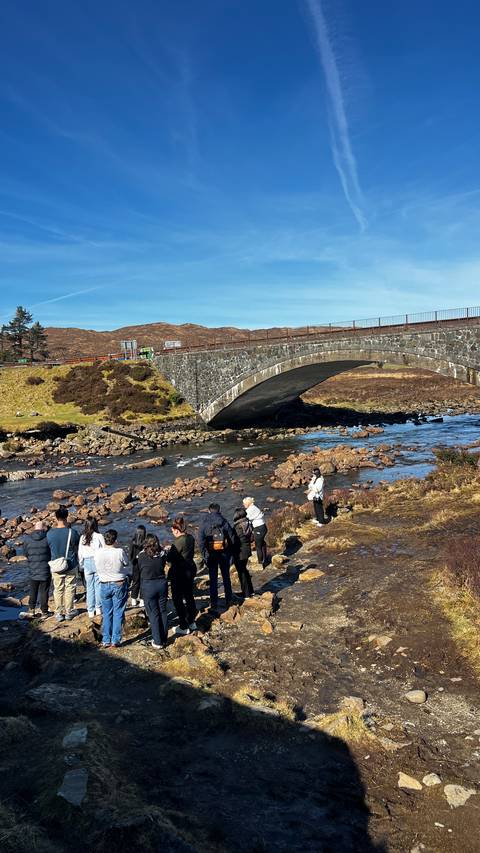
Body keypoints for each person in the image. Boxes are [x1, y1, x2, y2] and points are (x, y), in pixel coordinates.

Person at [95, 529, 131, 648]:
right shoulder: (119, 551)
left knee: (107, 613)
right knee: (118, 612)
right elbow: (126, 563)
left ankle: (106, 639)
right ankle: (115, 640)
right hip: (118, 583)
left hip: (104, 583)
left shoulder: (98, 552)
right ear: (115, 540)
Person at [198, 502, 235, 612]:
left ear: (209, 510)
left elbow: (200, 541)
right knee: (226, 577)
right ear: (219, 510)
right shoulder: (224, 521)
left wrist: (205, 555)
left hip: (211, 554)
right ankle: (229, 599)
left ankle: (214, 603)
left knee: (213, 579)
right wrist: (230, 553)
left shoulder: (204, 522)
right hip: (223, 553)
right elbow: (232, 538)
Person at [46, 506, 80, 622]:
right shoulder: (73, 532)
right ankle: (69, 611)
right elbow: (77, 547)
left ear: (56, 518)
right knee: (70, 588)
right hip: (70, 564)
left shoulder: (50, 534)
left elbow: (49, 548)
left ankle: (59, 613)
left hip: (56, 565)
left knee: (58, 589)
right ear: (67, 517)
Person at [165, 516, 198, 635]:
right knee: (189, 595)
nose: (172, 532)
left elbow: (169, 558)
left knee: (177, 598)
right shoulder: (190, 537)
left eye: (173, 530)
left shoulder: (179, 541)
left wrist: (168, 550)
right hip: (190, 568)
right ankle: (192, 621)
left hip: (179, 572)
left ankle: (183, 625)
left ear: (177, 530)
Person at [137, 533, 168, 649]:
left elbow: (140, 568)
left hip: (149, 585)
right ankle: (164, 638)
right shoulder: (162, 553)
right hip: (161, 584)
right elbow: (164, 561)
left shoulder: (141, 555)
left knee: (153, 614)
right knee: (163, 612)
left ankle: (157, 641)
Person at [22, 521, 51, 619]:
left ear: (34, 528)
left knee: (33, 590)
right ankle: (44, 611)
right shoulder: (47, 538)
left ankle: (31, 610)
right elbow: (51, 552)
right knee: (44, 591)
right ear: (43, 528)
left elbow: (25, 554)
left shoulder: (27, 539)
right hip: (45, 569)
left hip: (33, 569)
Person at [78, 517, 105, 619]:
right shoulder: (99, 536)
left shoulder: (82, 537)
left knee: (89, 587)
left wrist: (81, 565)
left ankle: (90, 610)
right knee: (98, 585)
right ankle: (98, 608)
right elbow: (104, 550)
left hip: (86, 562)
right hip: (97, 561)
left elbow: (80, 553)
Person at [232, 507, 254, 598]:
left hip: (240, 551)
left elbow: (235, 540)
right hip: (247, 549)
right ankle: (250, 591)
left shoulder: (238, 526)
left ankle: (246, 594)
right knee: (244, 570)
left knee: (241, 572)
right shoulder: (247, 522)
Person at [243, 496, 269, 568]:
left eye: (244, 503)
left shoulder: (250, 509)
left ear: (248, 503)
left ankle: (261, 562)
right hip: (263, 527)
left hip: (259, 529)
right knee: (262, 543)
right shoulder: (254, 507)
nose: (243, 505)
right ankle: (265, 559)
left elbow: (246, 518)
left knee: (258, 546)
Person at [129, 525, 146, 607]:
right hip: (144, 565)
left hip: (135, 564)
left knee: (135, 582)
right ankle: (142, 600)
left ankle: (133, 600)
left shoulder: (132, 542)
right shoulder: (145, 543)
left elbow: (130, 555)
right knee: (143, 582)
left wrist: (133, 561)